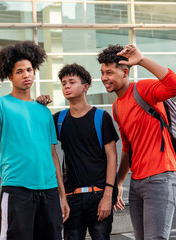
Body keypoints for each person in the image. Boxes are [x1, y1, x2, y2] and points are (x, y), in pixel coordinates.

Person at [0, 41, 69, 240]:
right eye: (19, 71)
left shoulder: (43, 110)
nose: (26, 75)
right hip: (17, 190)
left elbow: (52, 155)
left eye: (29, 70)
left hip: (49, 191)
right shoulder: (1, 103)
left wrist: (62, 195)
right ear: (9, 76)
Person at [97, 44, 176, 240]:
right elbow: (128, 148)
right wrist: (119, 182)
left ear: (125, 72)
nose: (104, 78)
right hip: (137, 182)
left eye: (110, 72)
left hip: (161, 177)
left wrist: (142, 60)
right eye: (103, 73)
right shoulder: (116, 106)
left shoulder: (143, 89)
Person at [37, 63, 119, 240]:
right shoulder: (59, 119)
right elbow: (38, 129)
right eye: (64, 83)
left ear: (85, 87)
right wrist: (38, 105)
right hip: (71, 198)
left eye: (71, 82)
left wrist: (108, 195)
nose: (66, 86)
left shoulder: (101, 118)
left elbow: (112, 158)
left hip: (99, 195)